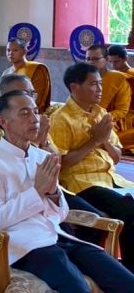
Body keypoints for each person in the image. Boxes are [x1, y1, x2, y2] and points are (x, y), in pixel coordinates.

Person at [0, 90, 134, 293]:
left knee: (127, 284)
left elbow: (61, 213)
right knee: (76, 289)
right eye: (24, 112)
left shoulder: (42, 156)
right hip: (26, 246)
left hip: (60, 236)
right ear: (3, 121)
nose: (34, 118)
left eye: (35, 111)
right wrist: (37, 192)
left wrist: (51, 194)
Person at [49, 62, 134, 273]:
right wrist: (94, 141)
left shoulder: (101, 113)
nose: (100, 89)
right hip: (82, 184)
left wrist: (104, 140)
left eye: (100, 84)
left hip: (110, 179)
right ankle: (128, 273)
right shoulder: (61, 118)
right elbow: (60, 163)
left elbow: (116, 157)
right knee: (129, 211)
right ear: (74, 87)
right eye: (93, 84)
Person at [85, 44, 131, 128]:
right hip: (84, 121)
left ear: (106, 59)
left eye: (96, 59)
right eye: (88, 59)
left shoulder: (119, 79)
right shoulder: (83, 79)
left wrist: (100, 118)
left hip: (109, 123)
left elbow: (122, 110)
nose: (90, 62)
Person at [3, 38, 51, 113]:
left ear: (25, 51)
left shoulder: (36, 69)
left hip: (28, 113)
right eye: (8, 50)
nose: (10, 53)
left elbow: (37, 99)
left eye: (15, 50)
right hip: (6, 113)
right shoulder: (6, 72)